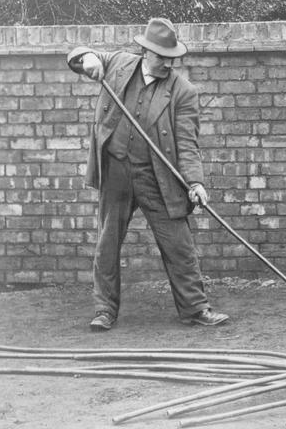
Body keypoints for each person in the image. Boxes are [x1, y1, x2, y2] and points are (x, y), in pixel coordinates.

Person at [67, 17, 228, 331]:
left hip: (157, 176)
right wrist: (85, 58)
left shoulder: (183, 91)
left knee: (178, 244)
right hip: (115, 170)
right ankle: (104, 311)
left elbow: (186, 141)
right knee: (108, 242)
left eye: (172, 58)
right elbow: (81, 55)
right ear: (145, 52)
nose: (168, 64)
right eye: (161, 57)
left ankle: (195, 308)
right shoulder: (118, 64)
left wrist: (195, 182)